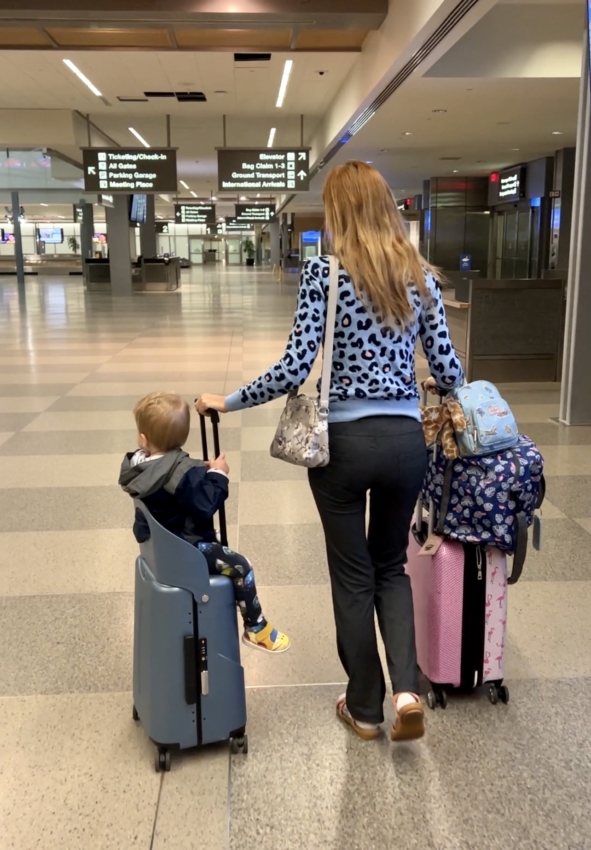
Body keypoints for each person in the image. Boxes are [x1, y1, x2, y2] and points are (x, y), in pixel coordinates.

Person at [196, 161, 464, 740]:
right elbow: (449, 369)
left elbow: (296, 366)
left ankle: (364, 709)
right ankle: (409, 689)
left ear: (340, 213)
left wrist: (231, 400)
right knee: (391, 566)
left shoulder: (326, 275)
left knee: (352, 576)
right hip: (404, 445)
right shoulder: (421, 278)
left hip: (341, 447)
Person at [119, 391, 290, 654]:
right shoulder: (184, 474)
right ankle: (256, 628)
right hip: (186, 551)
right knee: (241, 566)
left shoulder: (136, 466)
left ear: (144, 438)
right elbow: (205, 505)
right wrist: (218, 474)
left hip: (159, 548)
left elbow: (169, 470)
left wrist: (199, 469)